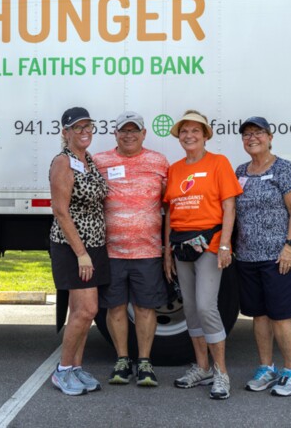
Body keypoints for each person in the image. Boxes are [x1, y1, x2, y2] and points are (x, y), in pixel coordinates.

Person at [163, 110, 243, 400]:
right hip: (181, 246)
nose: (189, 136)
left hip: (209, 244)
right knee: (191, 309)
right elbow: (169, 212)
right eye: (184, 131)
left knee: (208, 307)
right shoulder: (175, 169)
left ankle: (221, 372)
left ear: (205, 134)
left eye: (195, 131)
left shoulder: (219, 163)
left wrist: (224, 244)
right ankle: (202, 367)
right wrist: (166, 252)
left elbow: (230, 206)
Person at [93, 111, 169, 387]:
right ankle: (123, 360)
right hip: (111, 251)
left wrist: (167, 249)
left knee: (145, 308)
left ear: (144, 134)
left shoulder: (158, 162)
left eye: (134, 130)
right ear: (115, 134)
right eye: (123, 130)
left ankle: (145, 363)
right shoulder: (99, 161)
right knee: (115, 309)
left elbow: (169, 206)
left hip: (147, 251)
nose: (129, 135)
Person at [235, 116, 291, 397]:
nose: (252, 138)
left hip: (279, 255)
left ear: (270, 136)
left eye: (258, 133)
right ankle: (266, 368)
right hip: (248, 256)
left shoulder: (284, 168)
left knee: (280, 316)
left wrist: (289, 246)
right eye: (247, 134)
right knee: (259, 315)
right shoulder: (241, 170)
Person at [49, 107, 110, 396]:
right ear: (66, 132)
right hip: (73, 247)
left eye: (88, 126)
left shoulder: (88, 161)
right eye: (77, 127)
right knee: (87, 310)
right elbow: (61, 211)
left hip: (94, 245)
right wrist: (81, 253)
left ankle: (76, 367)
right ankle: (62, 371)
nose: (84, 131)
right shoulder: (63, 162)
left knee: (81, 311)